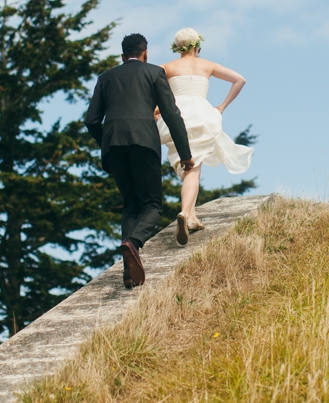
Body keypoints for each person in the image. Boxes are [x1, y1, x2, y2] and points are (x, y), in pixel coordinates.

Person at [85, 33, 194, 288]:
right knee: (152, 205)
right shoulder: (154, 73)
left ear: (122, 57)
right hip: (144, 142)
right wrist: (185, 154)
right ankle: (133, 244)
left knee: (131, 206)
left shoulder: (105, 78)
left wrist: (106, 142)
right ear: (145, 54)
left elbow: (91, 121)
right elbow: (171, 113)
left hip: (113, 146)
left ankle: (129, 272)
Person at [156, 28, 253, 246]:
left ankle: (189, 215)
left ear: (177, 47)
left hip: (174, 116)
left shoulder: (166, 67)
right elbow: (240, 80)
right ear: (197, 45)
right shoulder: (207, 65)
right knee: (193, 168)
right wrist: (222, 106)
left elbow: (149, 88)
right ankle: (186, 213)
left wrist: (155, 107)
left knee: (187, 168)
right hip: (201, 115)